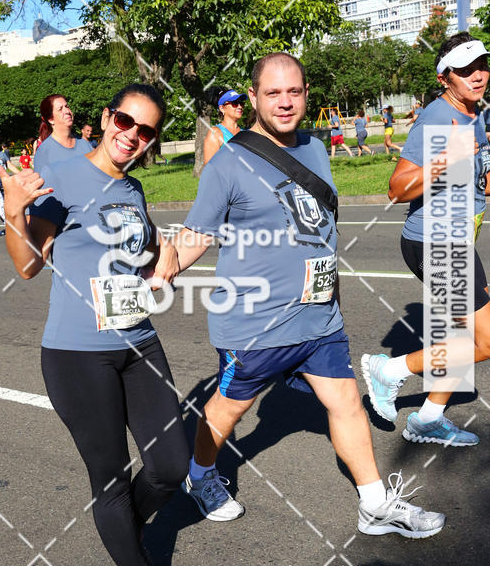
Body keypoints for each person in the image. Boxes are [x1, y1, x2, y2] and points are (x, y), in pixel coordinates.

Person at [169, 52, 445, 538]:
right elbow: (197, 234)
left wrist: (332, 297)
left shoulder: (316, 150)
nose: (284, 102)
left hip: (319, 319)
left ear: (306, 94)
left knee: (347, 404)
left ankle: (375, 504)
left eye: (293, 91)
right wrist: (160, 269)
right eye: (272, 93)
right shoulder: (228, 162)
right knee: (228, 411)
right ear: (252, 97)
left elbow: (322, 230)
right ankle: (201, 474)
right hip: (254, 325)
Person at [0, 83, 200, 566]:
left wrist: (173, 258)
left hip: (138, 342)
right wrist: (15, 209)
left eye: (146, 131)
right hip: (76, 355)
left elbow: (152, 248)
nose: (132, 135)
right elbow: (27, 265)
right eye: (126, 122)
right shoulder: (64, 180)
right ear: (107, 118)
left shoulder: (132, 188)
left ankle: (120, 531)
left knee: (170, 466)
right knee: (110, 479)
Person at [362, 32, 490, 447]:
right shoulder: (435, 119)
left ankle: (429, 418)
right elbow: (397, 189)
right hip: (435, 242)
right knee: (487, 341)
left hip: (457, 238)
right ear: (445, 77)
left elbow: (479, 182)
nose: (478, 74)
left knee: (462, 338)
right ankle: (390, 369)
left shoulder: (477, 114)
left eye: (483, 65)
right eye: (466, 69)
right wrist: (446, 158)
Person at [34, 95, 94, 174]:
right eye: (60, 109)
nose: (67, 111)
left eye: (67, 106)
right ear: (51, 119)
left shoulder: (85, 145)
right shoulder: (44, 151)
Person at [203, 87, 247, 165]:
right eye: (235, 103)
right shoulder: (216, 133)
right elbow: (209, 169)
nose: (240, 106)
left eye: (242, 103)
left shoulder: (245, 132)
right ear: (222, 108)